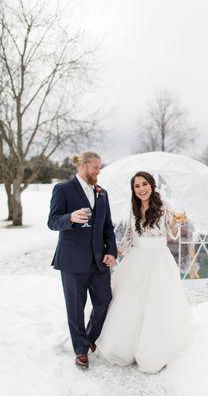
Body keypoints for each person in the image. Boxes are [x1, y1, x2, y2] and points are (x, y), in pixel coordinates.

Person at [96, 171, 191, 374]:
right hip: (137, 260)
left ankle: (153, 352)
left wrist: (177, 223)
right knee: (131, 302)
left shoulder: (164, 205)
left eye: (144, 184)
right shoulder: (134, 208)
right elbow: (130, 236)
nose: (141, 189)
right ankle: (126, 347)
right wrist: (114, 253)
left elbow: (172, 234)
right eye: (137, 186)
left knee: (157, 305)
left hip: (159, 261)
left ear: (151, 185)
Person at [47, 151, 117, 369]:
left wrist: (112, 252)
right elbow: (52, 221)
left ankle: (88, 338)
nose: (99, 171)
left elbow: (108, 227)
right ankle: (80, 350)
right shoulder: (63, 189)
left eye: (100, 167)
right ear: (83, 166)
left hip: (99, 262)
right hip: (72, 260)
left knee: (104, 301)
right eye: (95, 167)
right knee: (75, 308)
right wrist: (70, 218)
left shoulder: (102, 193)